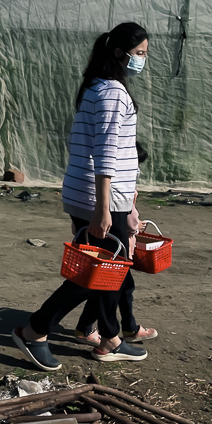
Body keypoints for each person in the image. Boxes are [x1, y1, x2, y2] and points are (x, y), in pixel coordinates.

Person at [12, 22, 151, 370]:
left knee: (109, 270)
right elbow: (105, 153)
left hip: (93, 193)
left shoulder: (95, 87)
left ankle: (109, 338)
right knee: (97, 273)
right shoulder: (112, 93)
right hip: (99, 197)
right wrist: (103, 209)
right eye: (140, 55)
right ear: (120, 54)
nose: (143, 61)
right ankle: (35, 329)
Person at [72, 143, 157, 346]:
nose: (138, 170)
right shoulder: (123, 190)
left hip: (108, 248)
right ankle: (115, 330)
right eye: (136, 165)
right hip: (119, 251)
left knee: (114, 289)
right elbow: (129, 220)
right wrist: (138, 226)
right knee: (112, 289)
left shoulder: (97, 188)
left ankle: (125, 328)